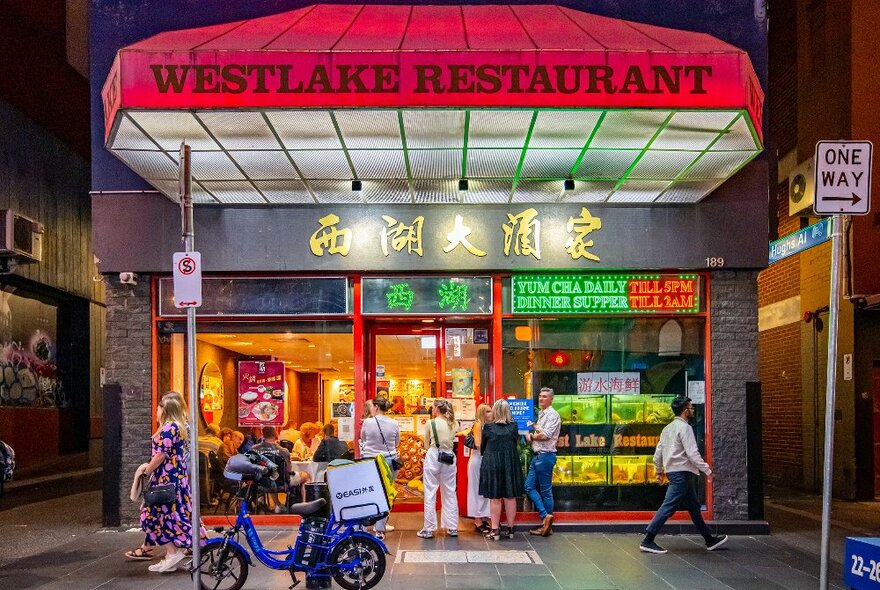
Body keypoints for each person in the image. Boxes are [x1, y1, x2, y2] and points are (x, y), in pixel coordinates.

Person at [640, 397, 728, 554]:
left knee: (694, 507)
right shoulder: (685, 428)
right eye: (691, 407)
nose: (693, 410)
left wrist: (659, 470)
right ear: (684, 410)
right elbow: (693, 454)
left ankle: (709, 539)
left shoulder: (667, 429)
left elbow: (658, 452)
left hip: (676, 472)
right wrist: (708, 470)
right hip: (682, 473)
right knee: (668, 506)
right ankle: (648, 539)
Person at [137, 391, 206, 573]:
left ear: (165, 409)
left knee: (150, 515)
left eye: (158, 408)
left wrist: (147, 470)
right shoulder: (179, 426)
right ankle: (176, 552)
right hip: (176, 477)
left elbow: (160, 455)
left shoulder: (169, 428)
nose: (156, 412)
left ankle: (173, 552)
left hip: (167, 478)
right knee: (176, 514)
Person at [479, 399, 524, 541]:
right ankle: (511, 529)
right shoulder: (513, 427)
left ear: (495, 411)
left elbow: (483, 448)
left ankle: (495, 530)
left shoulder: (488, 427)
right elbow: (514, 442)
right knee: (510, 497)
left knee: (495, 498)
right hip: (510, 463)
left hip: (493, 463)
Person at [359, 396, 401, 539]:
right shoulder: (394, 423)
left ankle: (364, 525)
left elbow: (363, 439)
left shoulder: (368, 422)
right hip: (389, 460)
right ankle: (380, 529)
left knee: (368, 492)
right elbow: (397, 442)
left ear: (376, 407)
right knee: (386, 493)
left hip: (370, 461)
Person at [417, 399, 459, 539]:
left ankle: (429, 529)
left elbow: (426, 444)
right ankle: (452, 527)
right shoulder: (454, 423)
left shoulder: (431, 423)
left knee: (430, 492)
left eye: (433, 407)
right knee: (450, 492)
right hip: (449, 457)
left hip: (434, 454)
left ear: (436, 409)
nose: (431, 409)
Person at [525, 386, 561, 537]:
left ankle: (547, 521)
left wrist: (532, 436)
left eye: (545, 396)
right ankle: (546, 517)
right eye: (540, 396)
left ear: (551, 399)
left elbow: (546, 435)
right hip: (538, 455)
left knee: (545, 491)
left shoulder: (553, 415)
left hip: (545, 455)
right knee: (528, 487)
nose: (541, 399)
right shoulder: (542, 414)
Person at [252, 426, 310, 513]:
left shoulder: (254, 449)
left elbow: (251, 466)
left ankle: (274, 504)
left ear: (263, 435)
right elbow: (288, 469)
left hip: (261, 483)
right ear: (275, 434)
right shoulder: (283, 451)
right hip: (281, 483)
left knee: (270, 476)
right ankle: (304, 505)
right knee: (306, 476)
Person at [467, 404, 492, 533]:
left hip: (485, 459)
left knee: (485, 489)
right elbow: (478, 444)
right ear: (482, 413)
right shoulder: (478, 425)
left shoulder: (488, 426)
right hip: (478, 459)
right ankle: (477, 519)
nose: (491, 413)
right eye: (487, 411)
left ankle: (484, 516)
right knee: (476, 489)